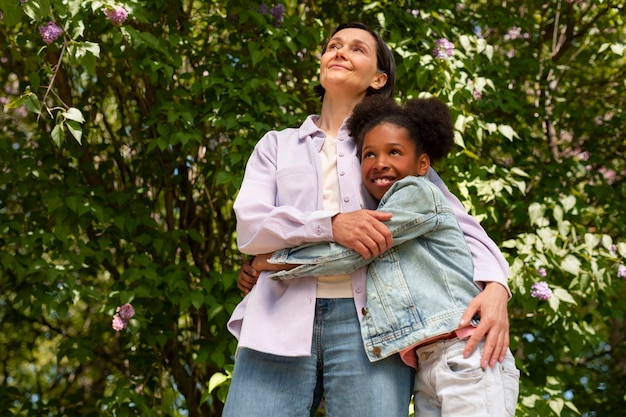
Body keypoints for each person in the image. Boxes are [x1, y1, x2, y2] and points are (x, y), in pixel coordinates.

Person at [224, 22, 510, 417]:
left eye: (357, 48)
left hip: (375, 329)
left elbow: (455, 222)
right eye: (333, 45)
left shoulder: (390, 150)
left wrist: (496, 286)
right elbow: (251, 226)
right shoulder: (276, 145)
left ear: (379, 78)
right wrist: (333, 223)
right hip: (275, 320)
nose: (340, 51)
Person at [262, 95, 520, 416]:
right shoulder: (385, 206)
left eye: (394, 152)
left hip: (465, 352)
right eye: (369, 154)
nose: (380, 162)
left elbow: (351, 253)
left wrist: (274, 260)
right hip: (428, 364)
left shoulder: (415, 194)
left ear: (422, 164)